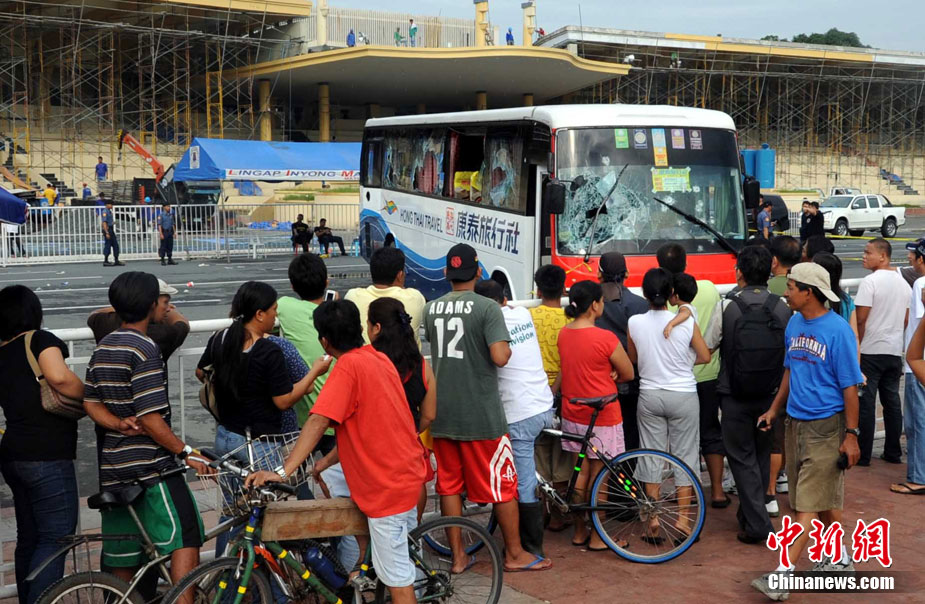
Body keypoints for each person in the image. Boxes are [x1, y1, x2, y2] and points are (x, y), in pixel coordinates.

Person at [246, 300, 427, 604]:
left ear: (325, 341)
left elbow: (318, 420)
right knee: (388, 561)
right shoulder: (378, 358)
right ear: (360, 330)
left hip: (387, 488)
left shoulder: (347, 368)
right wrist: (325, 462)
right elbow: (367, 427)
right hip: (405, 473)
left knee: (397, 580)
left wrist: (282, 472)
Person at [423, 243, 551, 572]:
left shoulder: (431, 308)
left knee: (450, 486)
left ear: (446, 273)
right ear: (478, 271)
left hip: (443, 412)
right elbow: (500, 356)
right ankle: (515, 554)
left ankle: (458, 557)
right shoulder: (487, 308)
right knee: (502, 484)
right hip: (481, 413)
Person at [83, 272, 209, 591]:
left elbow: (91, 402)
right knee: (186, 536)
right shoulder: (145, 349)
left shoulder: (103, 347)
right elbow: (151, 419)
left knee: (123, 557)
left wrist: (116, 423)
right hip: (151, 467)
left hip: (113, 467)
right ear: (152, 305)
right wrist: (186, 452)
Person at [751, 263, 863, 600]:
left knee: (806, 508)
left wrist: (852, 435)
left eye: (790, 287)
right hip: (795, 424)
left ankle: (782, 574)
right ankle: (840, 559)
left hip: (827, 428)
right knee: (816, 498)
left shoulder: (838, 331)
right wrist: (774, 410)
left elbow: (850, 387)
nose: (785, 293)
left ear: (808, 292)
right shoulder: (795, 323)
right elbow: (790, 371)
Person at [0, 286, 84, 604]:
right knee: (56, 538)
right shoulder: (39, 340)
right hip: (46, 455)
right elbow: (59, 377)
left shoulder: (2, 351)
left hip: (14, 453)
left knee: (29, 537)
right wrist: (92, 394)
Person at [704, 246, 791, 542]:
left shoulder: (727, 306)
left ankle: (758, 526)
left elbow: (710, 344)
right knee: (761, 454)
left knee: (741, 457)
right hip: (771, 395)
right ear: (770, 271)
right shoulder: (783, 307)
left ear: (739, 272)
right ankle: (750, 514)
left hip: (734, 394)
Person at [628, 268, 711, 542]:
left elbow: (633, 358)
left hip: (650, 394)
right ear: (671, 293)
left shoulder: (634, 322)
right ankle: (684, 520)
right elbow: (705, 356)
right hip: (683, 395)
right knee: (685, 456)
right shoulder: (685, 322)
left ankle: (652, 517)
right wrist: (683, 363)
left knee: (651, 455)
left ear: (644, 293)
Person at [475, 279, 555, 557]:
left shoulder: (486, 324)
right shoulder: (522, 313)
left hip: (519, 413)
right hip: (544, 405)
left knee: (521, 482)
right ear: (505, 300)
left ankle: (530, 547)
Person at [559, 280, 634, 551]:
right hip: (602, 415)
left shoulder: (564, 333)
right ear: (594, 305)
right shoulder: (606, 338)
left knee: (579, 471)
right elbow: (628, 373)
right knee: (601, 474)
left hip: (572, 412)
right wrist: (612, 373)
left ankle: (580, 531)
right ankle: (599, 536)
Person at [656, 243, 727, 510]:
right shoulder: (707, 288)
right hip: (708, 374)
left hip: (675, 378)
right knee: (711, 431)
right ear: (686, 263)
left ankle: (684, 491)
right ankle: (717, 492)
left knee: (679, 439)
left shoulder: (664, 299)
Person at [367, 297, 436, 504]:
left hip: (374, 446)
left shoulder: (367, 362)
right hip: (409, 441)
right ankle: (415, 524)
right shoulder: (420, 364)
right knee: (416, 481)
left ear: (377, 328)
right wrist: (412, 430)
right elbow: (429, 414)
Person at [855, 238, 909, 466]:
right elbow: (905, 320)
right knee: (892, 402)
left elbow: (861, 318)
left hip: (871, 350)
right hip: (894, 350)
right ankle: (893, 452)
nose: (864, 256)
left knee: (866, 403)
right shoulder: (903, 284)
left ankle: (864, 455)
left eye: (868, 252)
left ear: (883, 256)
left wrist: (859, 344)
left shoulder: (870, 282)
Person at [529, 264, 575, 532]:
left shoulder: (528, 316)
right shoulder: (570, 319)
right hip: (563, 393)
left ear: (538, 290)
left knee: (539, 455)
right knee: (562, 456)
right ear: (564, 289)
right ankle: (559, 514)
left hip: (534, 394)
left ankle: (542, 512)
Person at [276, 253, 336, 451]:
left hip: (304, 418)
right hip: (337, 415)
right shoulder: (338, 314)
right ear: (326, 282)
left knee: (295, 467)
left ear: (293, 286)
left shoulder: (284, 306)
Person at [595, 252, 649, 454]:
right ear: (626, 273)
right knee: (630, 437)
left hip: (599, 382)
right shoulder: (639, 304)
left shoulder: (591, 304)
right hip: (632, 381)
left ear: (599, 274)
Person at [88, 278, 190, 362]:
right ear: (152, 304)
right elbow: (182, 324)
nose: (167, 308)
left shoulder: (105, 323)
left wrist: (127, 305)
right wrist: (171, 312)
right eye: (165, 302)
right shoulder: (162, 334)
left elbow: (95, 314)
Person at [345, 246, 426, 347]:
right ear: (400, 275)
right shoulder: (415, 297)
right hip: (406, 357)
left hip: (366, 357)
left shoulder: (353, 296)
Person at [894, 239, 925, 495]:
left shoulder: (921, 284)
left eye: (913, 255)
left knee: (917, 422)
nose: (910, 259)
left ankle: (918, 476)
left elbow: (917, 321)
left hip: (919, 363)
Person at [663, 272, 697, 338]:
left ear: (676, 297)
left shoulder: (685, 308)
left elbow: (685, 313)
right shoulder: (691, 307)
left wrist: (671, 324)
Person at [101, 197, 123, 266]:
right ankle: (105, 261)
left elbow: (108, 222)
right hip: (108, 230)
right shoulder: (105, 212)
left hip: (110, 228)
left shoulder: (109, 211)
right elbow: (104, 223)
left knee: (115, 245)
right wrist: (107, 232)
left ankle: (116, 260)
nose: (112, 206)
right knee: (108, 245)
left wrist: (112, 223)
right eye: (111, 204)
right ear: (107, 205)